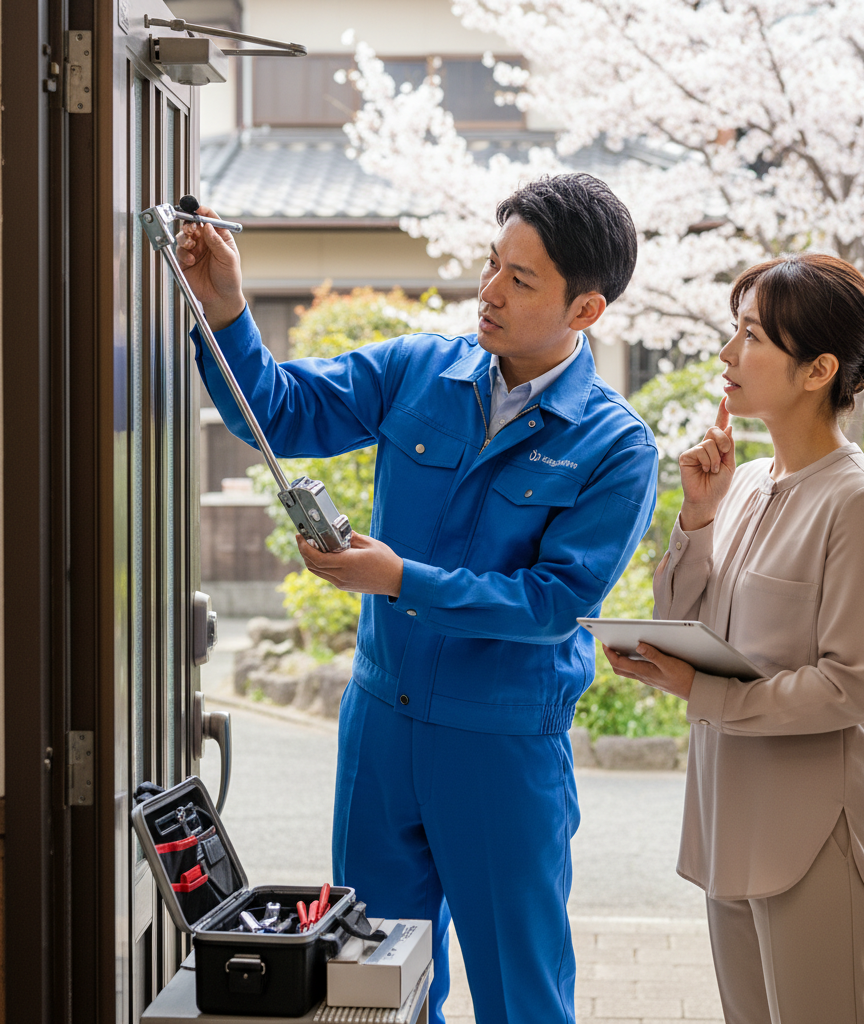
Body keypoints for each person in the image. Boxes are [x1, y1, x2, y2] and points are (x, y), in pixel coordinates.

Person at [177, 172, 659, 1024]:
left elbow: (552, 602)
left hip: (501, 747)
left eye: (521, 279)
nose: (489, 291)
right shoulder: (418, 370)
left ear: (585, 309)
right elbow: (277, 413)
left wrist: (400, 579)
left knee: (520, 994)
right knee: (371, 984)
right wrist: (225, 310)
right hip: (380, 729)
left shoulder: (616, 447)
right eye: (491, 263)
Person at [604, 253, 864, 1024]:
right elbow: (683, 617)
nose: (726, 354)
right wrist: (698, 515)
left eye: (753, 337)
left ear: (819, 371)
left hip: (818, 843)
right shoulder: (741, 485)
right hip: (731, 827)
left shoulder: (859, 503)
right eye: (734, 331)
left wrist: (700, 690)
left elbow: (848, 688)